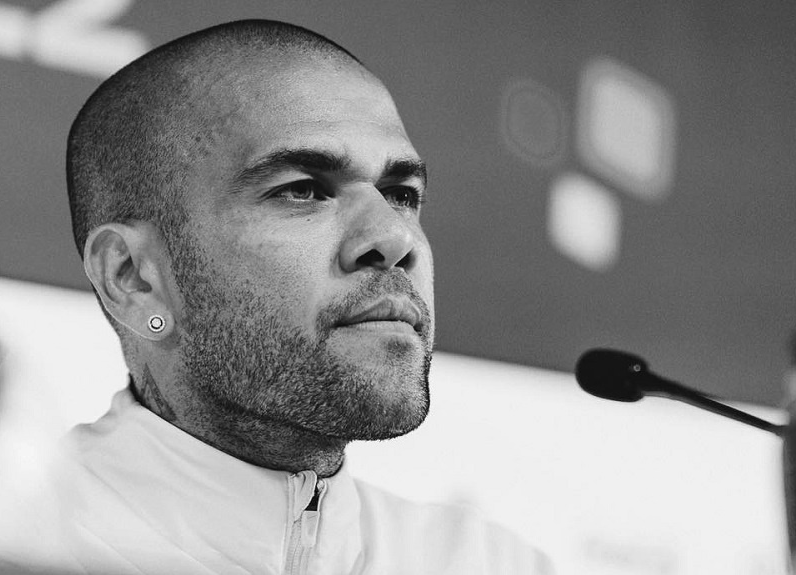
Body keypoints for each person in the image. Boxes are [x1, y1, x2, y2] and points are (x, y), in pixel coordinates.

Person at [44, 18, 553, 574]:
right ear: (133, 279)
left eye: (401, 194)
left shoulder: (492, 564)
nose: (395, 239)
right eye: (302, 191)